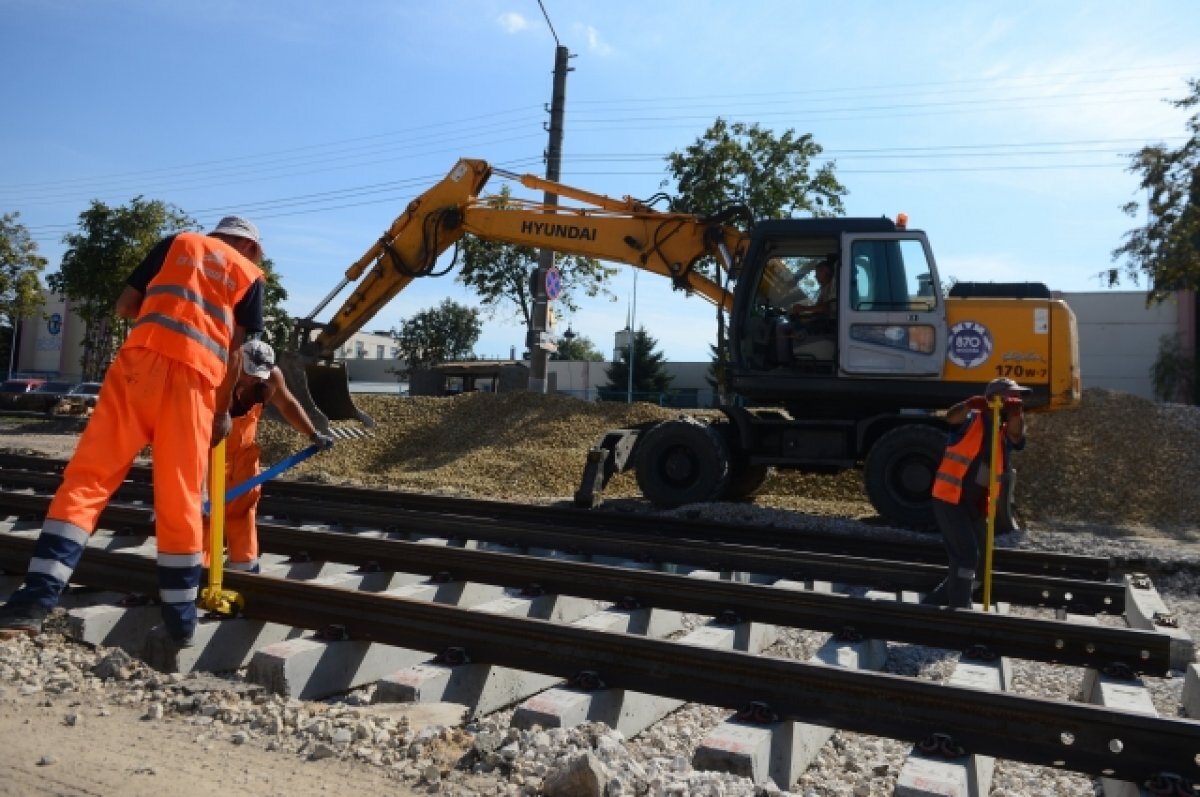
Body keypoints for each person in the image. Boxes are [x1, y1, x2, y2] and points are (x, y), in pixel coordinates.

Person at [0, 216, 267, 644]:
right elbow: (235, 353)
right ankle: (181, 621)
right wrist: (221, 413)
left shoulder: (176, 243)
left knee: (88, 479)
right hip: (194, 384)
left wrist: (166, 322)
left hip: (137, 367)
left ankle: (34, 600)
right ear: (250, 247)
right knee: (180, 496)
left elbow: (126, 305)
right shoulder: (249, 274)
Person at [205, 339, 333, 574]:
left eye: (259, 376)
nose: (255, 379)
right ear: (237, 361)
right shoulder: (218, 370)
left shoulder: (271, 377)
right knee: (205, 516)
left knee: (243, 511)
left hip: (243, 456)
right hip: (209, 453)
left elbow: (288, 405)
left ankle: (244, 568)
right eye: (249, 373)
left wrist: (313, 434)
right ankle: (199, 573)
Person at [924, 376, 1030, 609]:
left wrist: (1015, 413)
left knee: (981, 561)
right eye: (1013, 395)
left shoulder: (1003, 429)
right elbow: (951, 418)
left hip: (978, 503)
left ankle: (935, 603)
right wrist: (971, 404)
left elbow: (1017, 437)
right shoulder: (972, 419)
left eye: (1019, 396)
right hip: (951, 498)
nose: (1018, 398)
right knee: (966, 555)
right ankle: (961, 609)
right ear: (996, 397)